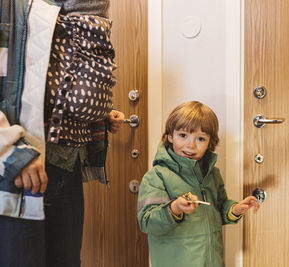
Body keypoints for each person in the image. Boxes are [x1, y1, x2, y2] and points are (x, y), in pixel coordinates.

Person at [0, 0, 124, 266]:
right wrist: (11, 148)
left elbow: (60, 78)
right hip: (17, 172)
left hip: (67, 170)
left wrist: (100, 112)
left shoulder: (78, 13)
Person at [137, 101, 260, 267]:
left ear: (210, 143)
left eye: (200, 138)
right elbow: (147, 222)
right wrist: (175, 208)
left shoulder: (212, 174)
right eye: (183, 135)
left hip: (212, 260)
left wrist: (234, 209)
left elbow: (219, 207)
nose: (191, 145)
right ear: (170, 136)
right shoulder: (157, 176)